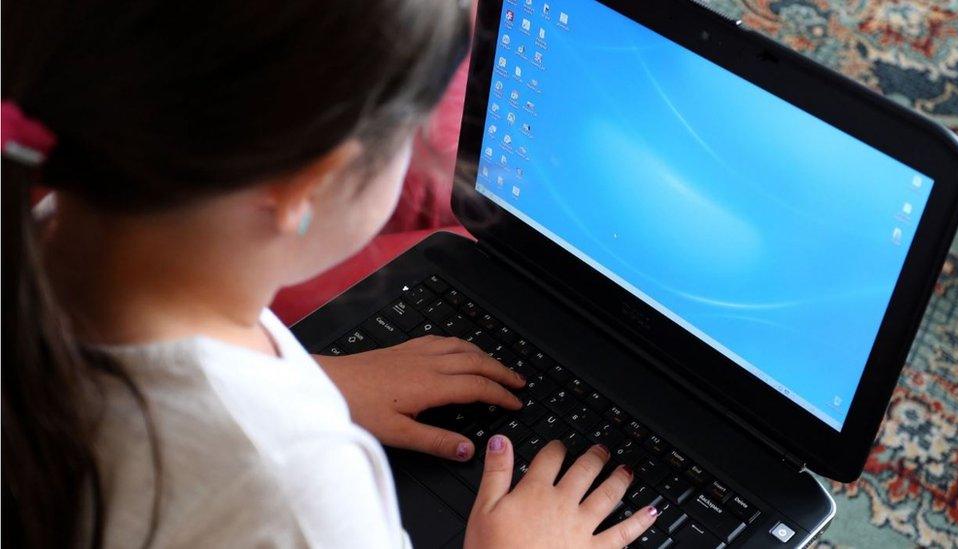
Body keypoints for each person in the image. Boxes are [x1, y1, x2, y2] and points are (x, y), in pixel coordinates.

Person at [2, 1, 659, 547]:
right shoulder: (299, 486)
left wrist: (310, 378)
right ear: (305, 186)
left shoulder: (53, 225)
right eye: (411, 130)